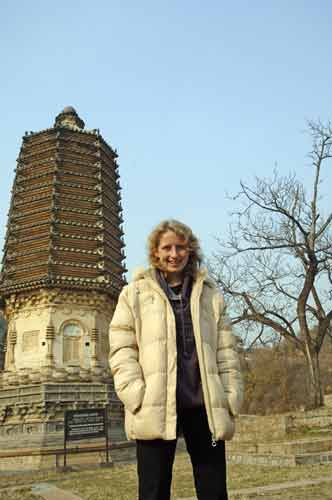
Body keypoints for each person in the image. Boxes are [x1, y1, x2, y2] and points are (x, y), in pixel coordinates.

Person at [109, 220, 243, 500]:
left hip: (203, 405)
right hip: (154, 404)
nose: (174, 254)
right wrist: (136, 393)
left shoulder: (210, 295)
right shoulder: (134, 293)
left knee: (214, 490)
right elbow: (122, 348)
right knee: (153, 490)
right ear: (155, 252)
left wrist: (230, 396)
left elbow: (226, 351)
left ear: (190, 250)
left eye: (180, 247)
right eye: (166, 247)